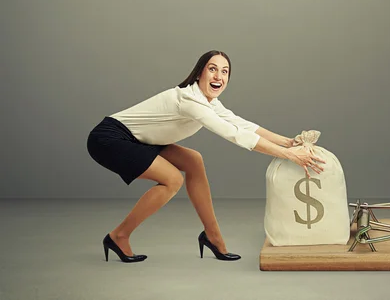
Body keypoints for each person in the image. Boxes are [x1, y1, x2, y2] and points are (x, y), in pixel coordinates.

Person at [86, 50, 325, 263]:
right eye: (212, 69)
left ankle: (212, 236)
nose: (218, 76)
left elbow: (242, 124)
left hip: (138, 139)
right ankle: (119, 236)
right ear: (200, 73)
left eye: (225, 71)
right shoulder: (190, 101)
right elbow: (234, 134)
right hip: (110, 138)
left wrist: (287, 142)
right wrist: (288, 155)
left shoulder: (210, 102)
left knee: (193, 161)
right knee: (173, 180)